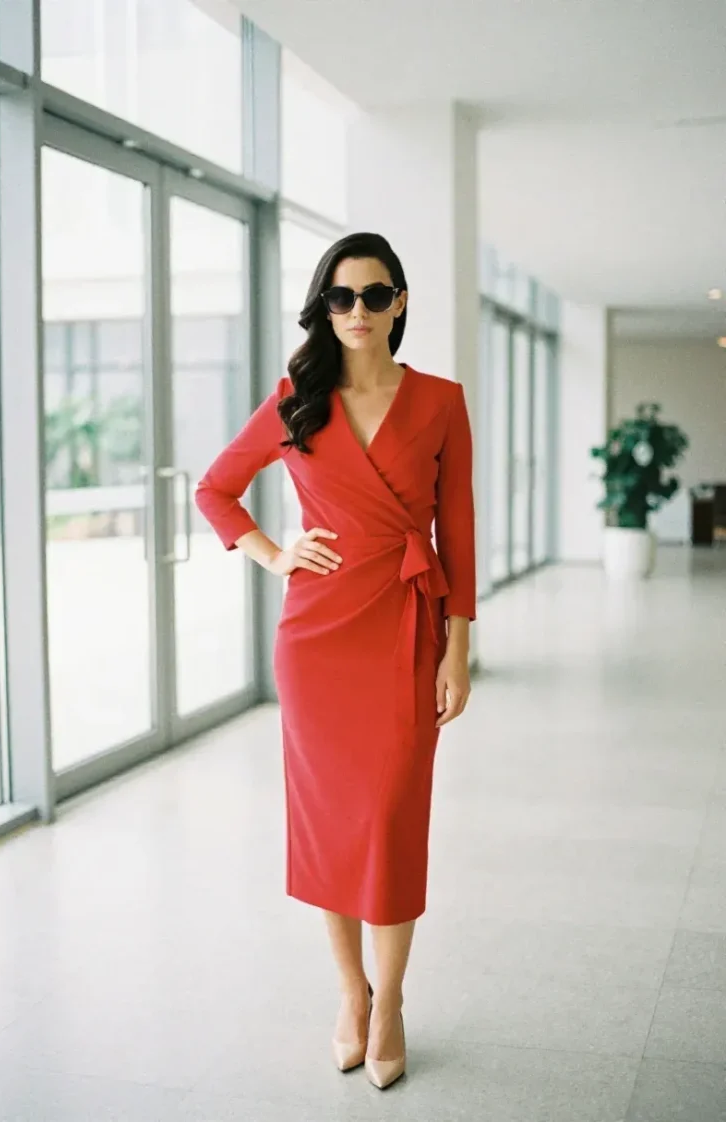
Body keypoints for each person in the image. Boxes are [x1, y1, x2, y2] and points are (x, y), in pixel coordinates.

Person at [195, 231, 476, 1090]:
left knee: (389, 819)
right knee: (328, 824)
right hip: (317, 640)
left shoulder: (439, 401)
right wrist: (274, 553)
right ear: (324, 307)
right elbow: (214, 488)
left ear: (401, 304)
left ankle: (390, 999)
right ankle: (349, 992)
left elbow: (457, 536)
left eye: (375, 294)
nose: (357, 311)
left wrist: (456, 650)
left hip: (403, 626)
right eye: (341, 297)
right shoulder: (296, 397)